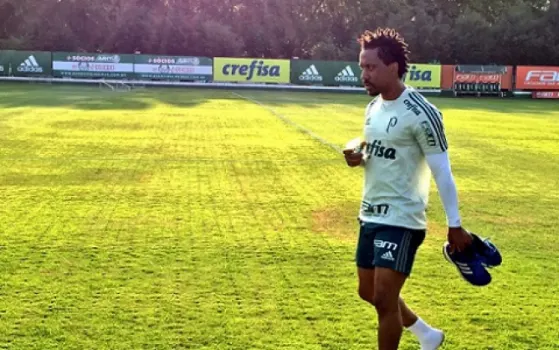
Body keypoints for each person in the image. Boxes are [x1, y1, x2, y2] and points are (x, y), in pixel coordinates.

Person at [343, 27, 473, 350]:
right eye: (362, 67)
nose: (364, 75)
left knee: (385, 298)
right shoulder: (372, 108)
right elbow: (376, 147)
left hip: (402, 218)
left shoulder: (422, 113)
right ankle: (427, 335)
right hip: (369, 212)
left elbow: (442, 170)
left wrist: (454, 225)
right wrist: (358, 154)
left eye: (370, 67)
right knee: (367, 292)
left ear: (393, 67)